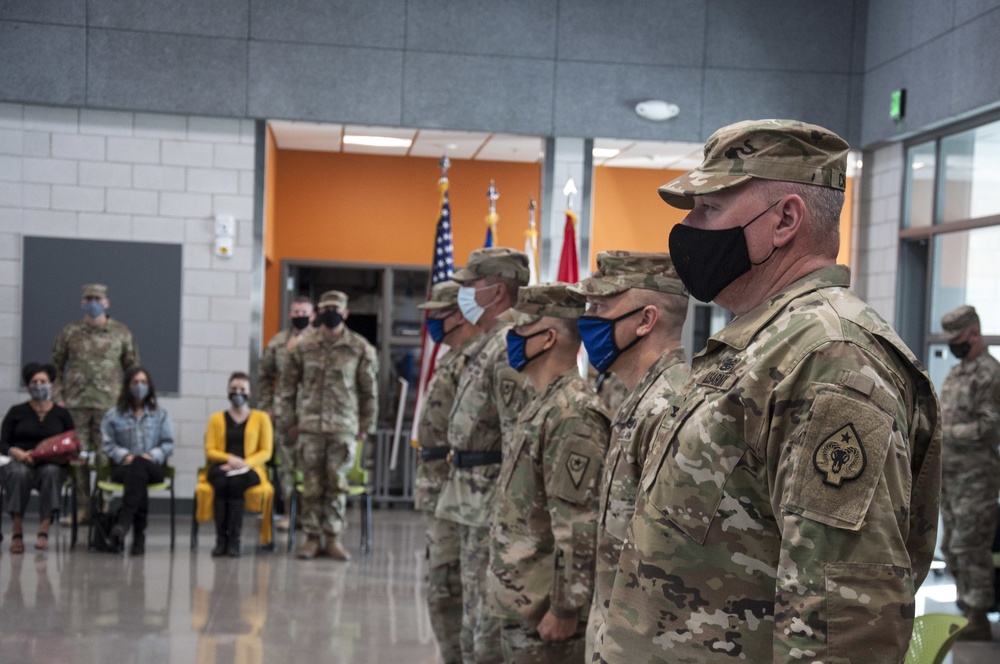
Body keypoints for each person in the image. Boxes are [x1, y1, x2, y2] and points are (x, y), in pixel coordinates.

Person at [595, 119, 942, 663]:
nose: (688, 228)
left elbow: (842, 623)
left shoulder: (830, 359)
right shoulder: (758, 346)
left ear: (784, 220)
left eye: (708, 207)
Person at [566, 251, 690, 659]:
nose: (587, 320)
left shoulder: (669, 408)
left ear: (645, 320)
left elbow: (667, 562)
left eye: (600, 307)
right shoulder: (639, 400)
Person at [486, 284, 611, 663]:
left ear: (548, 338)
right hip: (521, 599)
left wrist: (565, 607)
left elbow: (577, 521)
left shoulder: (572, 413)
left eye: (519, 331)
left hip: (545, 613)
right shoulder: (542, 403)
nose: (510, 339)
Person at [435, 247, 531, 664]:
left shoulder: (510, 344)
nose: (462, 295)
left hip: (491, 503)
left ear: (495, 292)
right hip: (470, 499)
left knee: (484, 625)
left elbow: (517, 439)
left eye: (470, 286)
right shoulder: (487, 344)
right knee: (471, 616)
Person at [276, 289, 378, 560]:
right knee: (311, 484)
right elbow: (286, 388)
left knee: (336, 483)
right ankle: (311, 538)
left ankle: (333, 537)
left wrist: (366, 425)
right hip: (308, 426)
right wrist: (289, 421)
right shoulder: (303, 346)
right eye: (325, 310)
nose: (330, 314)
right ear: (318, 314)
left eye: (336, 310)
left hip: (343, 427)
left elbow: (369, 391)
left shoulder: (359, 347)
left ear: (345, 313)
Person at [414, 280, 481, 664]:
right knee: (442, 587)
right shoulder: (452, 357)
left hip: (458, 489)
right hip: (442, 488)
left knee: (451, 590)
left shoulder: (475, 358)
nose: (432, 324)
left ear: (458, 314)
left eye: (437, 315)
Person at [52, 283, 139, 524]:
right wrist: (57, 396)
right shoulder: (70, 332)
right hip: (75, 405)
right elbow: (55, 367)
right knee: (79, 457)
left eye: (98, 298)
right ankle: (82, 510)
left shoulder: (121, 332)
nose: (93, 302)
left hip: (109, 407)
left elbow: (132, 368)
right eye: (89, 298)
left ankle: (103, 508)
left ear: (106, 302)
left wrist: (132, 401)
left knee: (105, 457)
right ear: (82, 302)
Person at [938, 304, 1000, 640]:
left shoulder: (990, 374)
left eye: (957, 338)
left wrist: (947, 433)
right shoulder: (958, 372)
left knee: (971, 547)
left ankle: (978, 618)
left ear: (974, 333)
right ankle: (965, 607)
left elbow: (990, 428)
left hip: (976, 479)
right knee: (950, 546)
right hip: (950, 477)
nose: (952, 345)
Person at [0, 362, 75, 553]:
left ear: (51, 385)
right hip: (21, 461)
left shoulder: (61, 414)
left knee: (51, 472)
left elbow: (71, 441)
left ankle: (44, 529)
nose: (39, 385)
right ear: (27, 386)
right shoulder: (16, 412)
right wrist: (14, 451)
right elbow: (3, 443)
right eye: (35, 382)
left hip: (50, 463)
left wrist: (61, 456)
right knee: (18, 473)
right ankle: (17, 529)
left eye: (43, 381)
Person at [100, 365, 174, 555]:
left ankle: (123, 524)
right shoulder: (113, 415)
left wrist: (152, 455)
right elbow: (107, 444)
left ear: (149, 386)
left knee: (140, 464)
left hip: (153, 467)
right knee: (136, 471)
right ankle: (139, 536)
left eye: (143, 382)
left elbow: (167, 443)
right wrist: (125, 455)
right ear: (127, 386)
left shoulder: (161, 414)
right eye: (135, 382)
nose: (139, 386)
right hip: (124, 466)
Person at [258, 295, 315, 531]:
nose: (300, 317)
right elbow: (264, 376)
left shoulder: (319, 342)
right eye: (296, 313)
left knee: (312, 466)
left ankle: (311, 516)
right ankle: (290, 513)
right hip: (284, 414)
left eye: (304, 313)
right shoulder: (277, 343)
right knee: (287, 467)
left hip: (313, 415)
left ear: (312, 316)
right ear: (290, 314)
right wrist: (267, 407)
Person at [203, 371, 274, 558]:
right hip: (222, 466)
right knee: (220, 483)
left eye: (242, 389)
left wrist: (244, 463)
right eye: (234, 388)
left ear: (250, 394)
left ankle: (234, 540)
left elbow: (266, 451)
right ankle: (221, 540)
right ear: (227, 391)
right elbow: (210, 450)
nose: (238, 393)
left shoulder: (261, 418)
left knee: (235, 484)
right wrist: (229, 459)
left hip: (250, 468)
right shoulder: (216, 419)